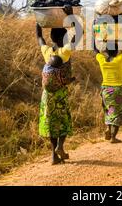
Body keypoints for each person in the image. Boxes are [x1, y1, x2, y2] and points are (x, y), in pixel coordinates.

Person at [36, 23, 76, 165]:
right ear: (64, 37)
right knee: (63, 121)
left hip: (47, 95)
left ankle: (53, 156)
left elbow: (39, 37)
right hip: (60, 93)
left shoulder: (47, 52)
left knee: (51, 122)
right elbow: (78, 34)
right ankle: (60, 146)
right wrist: (71, 16)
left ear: (51, 37)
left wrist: (39, 22)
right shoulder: (64, 52)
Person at [94, 43, 122, 144]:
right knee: (118, 113)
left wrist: (93, 38)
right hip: (117, 90)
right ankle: (113, 137)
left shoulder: (102, 60)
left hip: (106, 90)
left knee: (109, 110)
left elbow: (95, 50)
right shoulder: (119, 60)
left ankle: (108, 127)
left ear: (106, 51)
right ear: (116, 52)